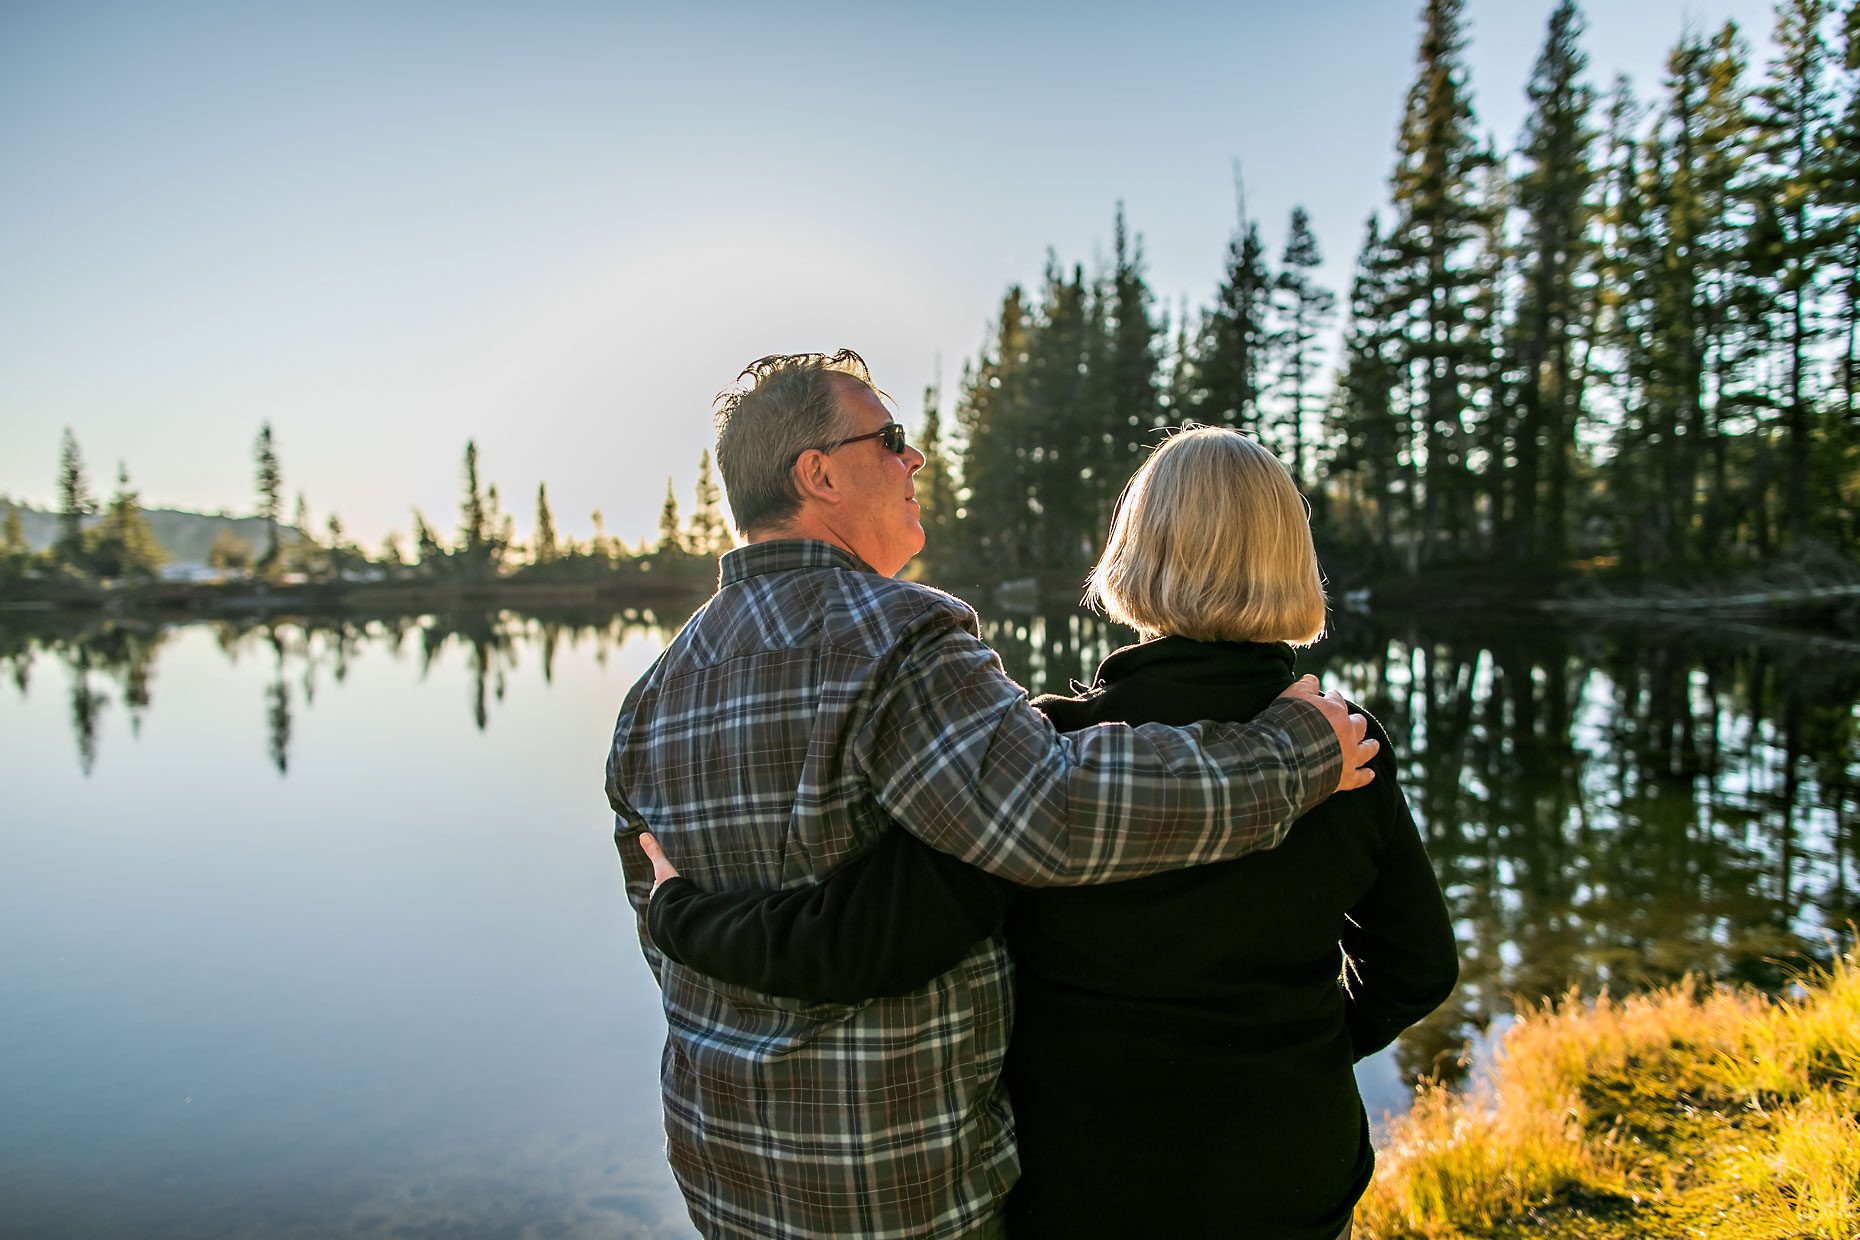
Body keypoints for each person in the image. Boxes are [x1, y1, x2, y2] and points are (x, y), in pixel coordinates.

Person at [605, 351, 1379, 1239]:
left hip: (722, 1164)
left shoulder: (651, 695)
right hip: (899, 1178)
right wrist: (1294, 753)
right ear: (816, 474)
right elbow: (1058, 815)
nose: (915, 460)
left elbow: (667, 941)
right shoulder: (899, 635)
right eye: (890, 440)